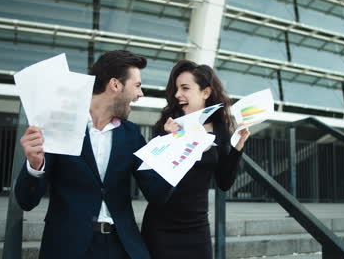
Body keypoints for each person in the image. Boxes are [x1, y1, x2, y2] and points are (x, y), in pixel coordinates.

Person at [15, 50, 172, 259]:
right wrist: (34, 165)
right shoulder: (58, 126)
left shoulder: (132, 134)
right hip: (69, 247)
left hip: (121, 246)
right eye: (137, 85)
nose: (140, 94)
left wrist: (176, 150)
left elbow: (156, 193)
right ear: (115, 85)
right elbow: (26, 201)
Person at [140, 60, 250, 259]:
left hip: (196, 228)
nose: (177, 95)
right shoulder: (167, 126)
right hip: (161, 227)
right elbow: (152, 182)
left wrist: (237, 148)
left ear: (205, 93)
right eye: (176, 89)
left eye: (185, 88)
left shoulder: (220, 130)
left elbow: (224, 183)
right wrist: (170, 141)